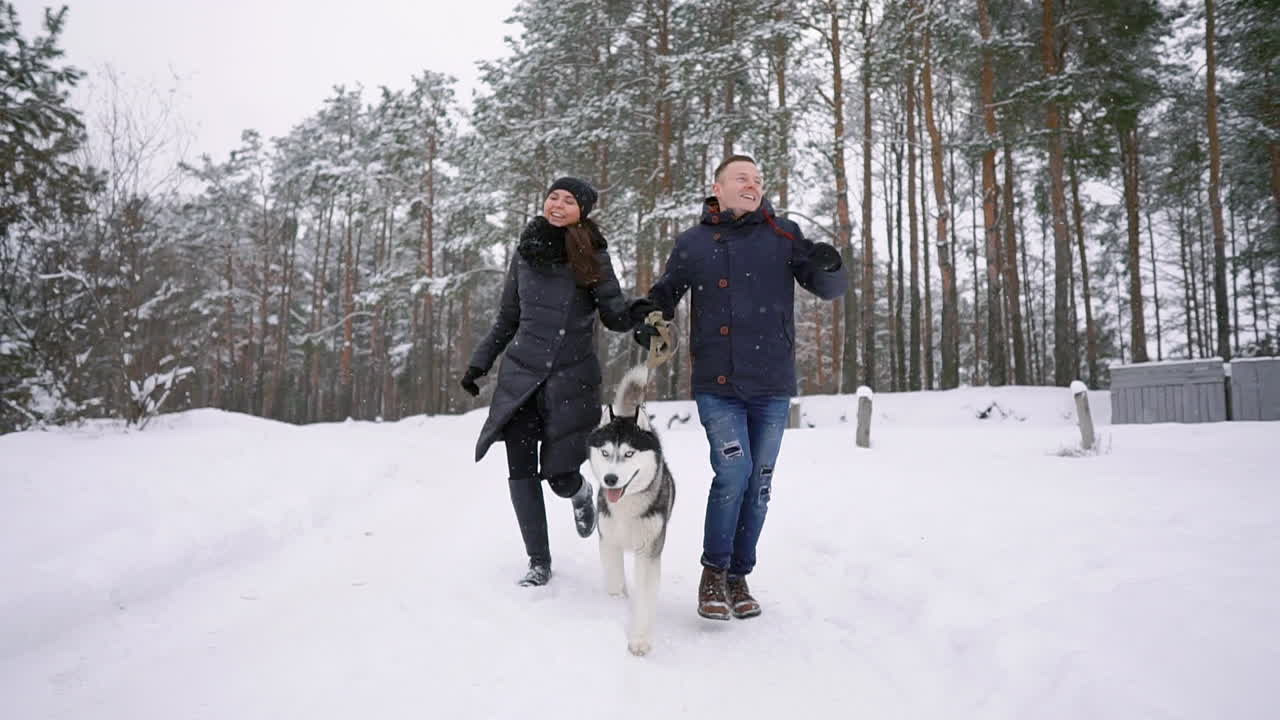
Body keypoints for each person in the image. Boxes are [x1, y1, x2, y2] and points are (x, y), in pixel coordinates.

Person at [633, 155, 846, 619]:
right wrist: (649, 318)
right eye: (742, 178)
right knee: (734, 471)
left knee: (760, 481)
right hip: (719, 382)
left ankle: (739, 576)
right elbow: (666, 293)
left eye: (758, 179)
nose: (753, 185)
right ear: (719, 187)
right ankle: (713, 572)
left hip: (772, 382)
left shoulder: (784, 234)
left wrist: (830, 266)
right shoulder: (694, 242)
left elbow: (827, 288)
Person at [460, 177, 657, 587]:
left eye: (569, 200)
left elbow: (614, 313)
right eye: (554, 197)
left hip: (572, 382)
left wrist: (641, 324)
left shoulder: (593, 254)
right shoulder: (526, 252)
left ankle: (579, 492)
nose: (558, 204)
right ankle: (538, 561)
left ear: (582, 210)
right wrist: (480, 363)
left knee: (560, 476)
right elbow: (507, 318)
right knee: (520, 469)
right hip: (522, 378)